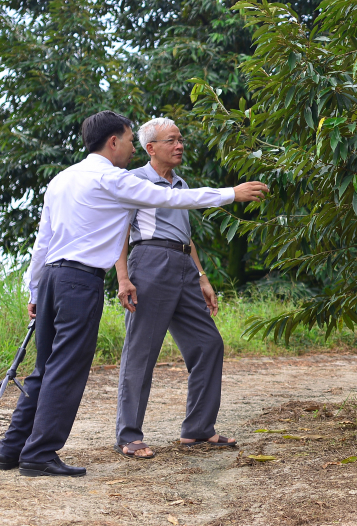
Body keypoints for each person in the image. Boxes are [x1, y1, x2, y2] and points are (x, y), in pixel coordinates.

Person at [0, 111, 267, 477]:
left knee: (44, 367)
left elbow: (43, 240)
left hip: (53, 277)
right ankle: (40, 453)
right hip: (80, 280)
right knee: (67, 369)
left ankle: (10, 450)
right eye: (128, 140)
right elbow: (172, 201)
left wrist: (35, 287)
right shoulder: (113, 179)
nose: (131, 149)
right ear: (113, 142)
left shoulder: (62, 178)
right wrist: (231, 194)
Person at [111, 117, 233, 459]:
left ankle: (198, 428)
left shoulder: (180, 184)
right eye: (171, 141)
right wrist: (123, 277)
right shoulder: (133, 181)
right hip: (149, 263)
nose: (179, 146)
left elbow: (186, 236)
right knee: (141, 352)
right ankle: (129, 435)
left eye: (180, 140)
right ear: (151, 148)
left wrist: (202, 276)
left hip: (182, 265)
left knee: (209, 344)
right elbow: (120, 231)